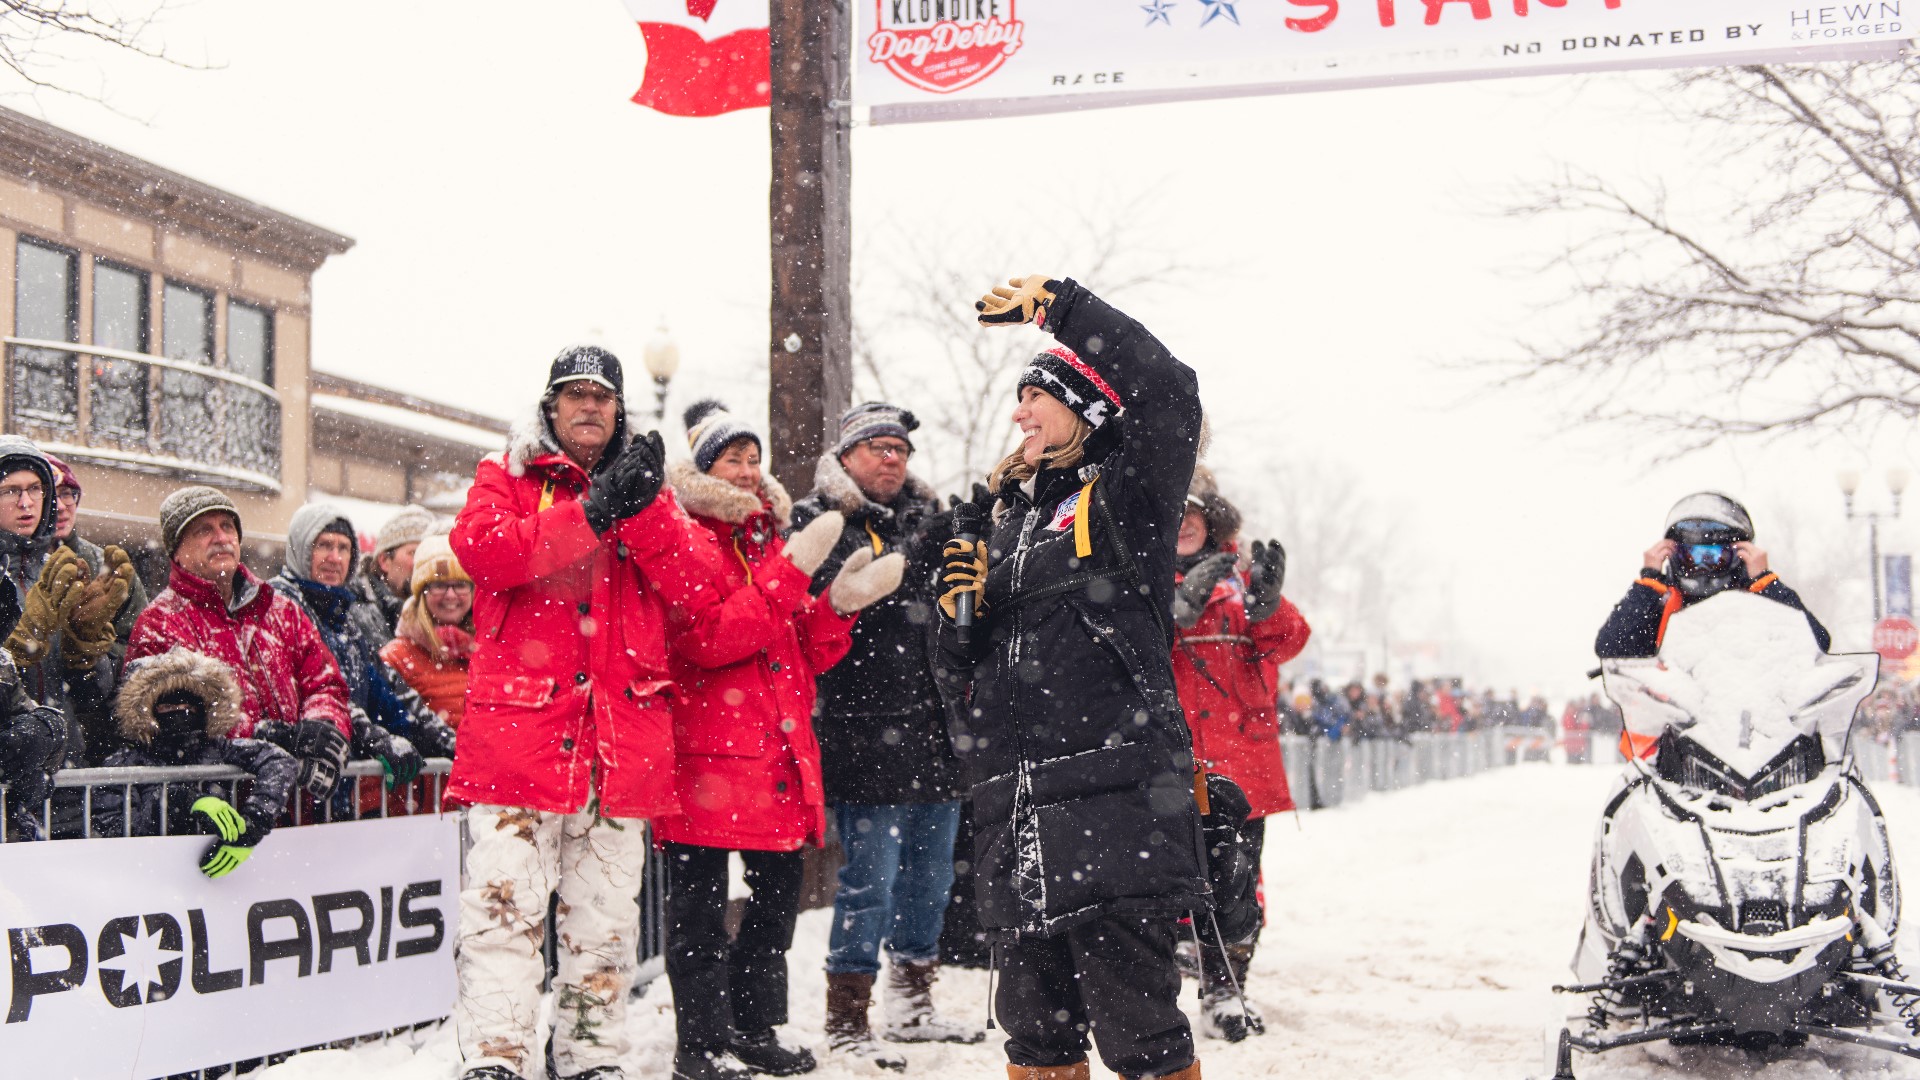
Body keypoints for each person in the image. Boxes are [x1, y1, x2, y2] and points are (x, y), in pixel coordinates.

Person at [450, 346, 802, 1080]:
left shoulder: (654, 495)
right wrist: (591, 513)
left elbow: (700, 590)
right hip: (521, 740)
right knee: (502, 916)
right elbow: (484, 554)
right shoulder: (507, 476)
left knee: (603, 929)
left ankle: (590, 1059)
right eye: (573, 394)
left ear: (619, 410)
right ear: (549, 406)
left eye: (602, 396)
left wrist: (639, 512)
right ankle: (498, 1058)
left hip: (623, 748)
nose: (588, 407)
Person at [936, 274, 1208, 1080]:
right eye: (1018, 398)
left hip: (1114, 812)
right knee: (1036, 1042)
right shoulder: (1001, 520)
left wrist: (1067, 310)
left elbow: (1169, 392)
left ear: (1085, 411)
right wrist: (954, 628)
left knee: (1141, 1037)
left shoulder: (1129, 496)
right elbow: (963, 688)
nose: (1018, 411)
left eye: (1037, 396)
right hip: (1013, 817)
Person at [657, 400, 907, 1080]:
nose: (745, 470)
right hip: (706, 759)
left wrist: (837, 608)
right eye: (730, 459)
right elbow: (709, 641)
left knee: (773, 910)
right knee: (700, 919)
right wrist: (792, 572)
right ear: (703, 469)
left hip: (772, 755)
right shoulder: (684, 541)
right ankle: (700, 1043)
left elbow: (799, 649)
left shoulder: (765, 542)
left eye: (752, 458)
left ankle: (754, 1027)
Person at [789, 400, 982, 1066]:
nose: (892, 459)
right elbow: (831, 604)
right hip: (863, 730)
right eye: (878, 448)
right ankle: (847, 1019)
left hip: (935, 729)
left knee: (931, 879)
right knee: (869, 881)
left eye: (900, 450)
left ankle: (913, 1002)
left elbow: (957, 621)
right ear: (845, 457)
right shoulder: (821, 520)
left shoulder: (926, 520)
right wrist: (915, 555)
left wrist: (972, 557)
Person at [1167, 464, 1308, 1043]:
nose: (1182, 525)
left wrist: (1268, 604)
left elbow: (1290, 641)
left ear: (1210, 519)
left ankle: (1227, 990)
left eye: (1192, 514)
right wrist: (1171, 610)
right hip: (1166, 761)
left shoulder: (1239, 580)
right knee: (1167, 881)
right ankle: (1160, 993)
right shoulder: (1137, 577)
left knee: (1237, 880)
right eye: (1172, 513)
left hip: (1238, 763)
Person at [125, 486, 354, 804]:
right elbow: (185, 723)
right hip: (225, 816)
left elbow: (326, 683)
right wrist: (277, 738)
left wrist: (323, 729)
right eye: (204, 529)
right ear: (177, 551)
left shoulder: (281, 609)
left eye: (228, 526)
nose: (221, 538)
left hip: (300, 818)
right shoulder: (160, 622)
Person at [1596, 492, 1830, 757]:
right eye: (1691, 554)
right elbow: (1612, 647)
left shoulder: (1761, 602)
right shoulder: (1659, 604)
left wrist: (1767, 582)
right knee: (1624, 795)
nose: (1701, 564)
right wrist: (1648, 582)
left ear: (1739, 554)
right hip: (1670, 749)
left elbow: (1815, 640)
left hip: (1757, 741)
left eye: (1712, 554)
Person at [269, 503, 455, 802]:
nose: (335, 558)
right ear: (301, 548)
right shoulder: (280, 605)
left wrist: (443, 740)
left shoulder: (342, 613)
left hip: (342, 788)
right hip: (299, 790)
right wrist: (372, 737)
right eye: (324, 546)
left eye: (343, 548)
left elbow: (386, 688)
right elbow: (322, 689)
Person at [92, 648, 296, 878]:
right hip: (148, 885)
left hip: (213, 889)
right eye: (168, 707)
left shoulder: (217, 749)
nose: (180, 713)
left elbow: (278, 761)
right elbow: (111, 835)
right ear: (147, 710)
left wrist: (254, 822)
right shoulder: (122, 765)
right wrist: (177, 801)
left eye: (189, 707)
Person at [0, 437, 129, 756]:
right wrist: (15, 650)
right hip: (10, 779)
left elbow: (91, 697)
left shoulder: (61, 570)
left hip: (66, 775)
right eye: (11, 491)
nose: (26, 502)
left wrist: (85, 650)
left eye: (34, 489)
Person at [45, 453, 148, 673]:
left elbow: (139, 647)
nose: (61, 506)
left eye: (67, 494)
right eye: (49, 496)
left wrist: (96, 658)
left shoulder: (107, 565)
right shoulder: (11, 565)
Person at [380, 533, 475, 729]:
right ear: (421, 592)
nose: (450, 595)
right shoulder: (396, 658)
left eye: (460, 585)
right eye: (439, 585)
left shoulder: (489, 651)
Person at [349, 503, 436, 647]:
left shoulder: (445, 610)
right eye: (414, 553)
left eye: (429, 553)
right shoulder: (356, 612)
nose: (423, 562)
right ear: (384, 561)